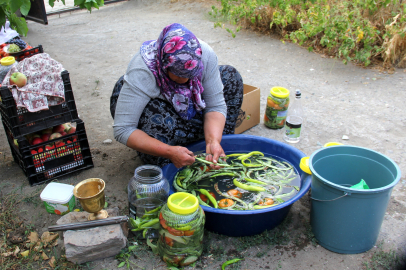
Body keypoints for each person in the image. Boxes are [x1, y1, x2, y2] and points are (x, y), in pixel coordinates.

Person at [111, 23, 243, 168]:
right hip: (163, 114)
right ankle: (169, 153)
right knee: (154, 116)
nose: (185, 82)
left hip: (189, 113)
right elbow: (123, 129)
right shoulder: (142, 72)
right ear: (163, 65)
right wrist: (169, 151)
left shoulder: (204, 54)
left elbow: (215, 105)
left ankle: (212, 146)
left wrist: (213, 140)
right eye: (177, 77)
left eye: (190, 76)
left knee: (231, 77)